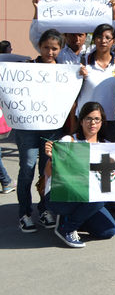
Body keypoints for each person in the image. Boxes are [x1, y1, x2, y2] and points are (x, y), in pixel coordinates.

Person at [14, 29, 68, 233]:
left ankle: (45, 210)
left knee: (47, 170)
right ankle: (24, 213)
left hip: (52, 128)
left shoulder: (65, 72)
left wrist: (79, 75)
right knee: (27, 169)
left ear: (60, 49)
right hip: (27, 128)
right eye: (46, 47)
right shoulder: (27, 68)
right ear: (39, 47)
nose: (50, 52)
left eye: (54, 48)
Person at [43, 102, 115, 248]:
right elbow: (48, 172)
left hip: (87, 198)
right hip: (60, 196)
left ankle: (74, 218)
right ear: (81, 121)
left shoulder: (107, 146)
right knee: (98, 195)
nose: (92, 123)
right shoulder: (69, 141)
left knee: (108, 231)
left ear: (102, 122)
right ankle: (67, 228)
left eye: (97, 119)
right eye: (88, 118)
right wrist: (53, 158)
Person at [29, 0, 115, 64]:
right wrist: (37, 10)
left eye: (80, 35)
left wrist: (113, 12)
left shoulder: (92, 51)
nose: (77, 39)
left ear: (86, 36)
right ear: (65, 35)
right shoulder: (58, 52)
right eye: (73, 35)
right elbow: (35, 37)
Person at [76, 24, 115, 143]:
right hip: (86, 120)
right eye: (99, 37)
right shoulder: (82, 62)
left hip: (109, 120)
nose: (103, 41)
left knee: (106, 154)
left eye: (107, 37)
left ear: (113, 41)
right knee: (84, 153)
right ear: (94, 39)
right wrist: (77, 75)